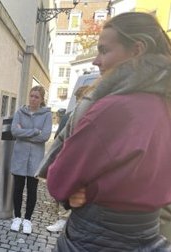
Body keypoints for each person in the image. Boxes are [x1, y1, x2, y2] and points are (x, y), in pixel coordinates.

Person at [47, 12, 171, 250]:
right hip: (150, 236)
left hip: (98, 237)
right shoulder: (163, 105)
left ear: (137, 50)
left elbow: (58, 180)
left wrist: (90, 191)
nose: (96, 61)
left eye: (104, 51)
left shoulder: (114, 108)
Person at [47, 85, 92, 233]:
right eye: (80, 98)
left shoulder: (94, 117)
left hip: (82, 163)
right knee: (62, 192)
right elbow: (58, 137)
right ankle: (62, 219)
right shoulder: (68, 116)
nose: (82, 102)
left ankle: (70, 221)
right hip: (66, 160)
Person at [9, 86, 52, 234]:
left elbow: (45, 136)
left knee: (32, 190)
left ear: (41, 99)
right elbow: (14, 131)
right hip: (20, 157)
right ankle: (17, 217)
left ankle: (27, 219)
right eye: (31, 96)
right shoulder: (20, 112)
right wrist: (34, 131)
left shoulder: (47, 115)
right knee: (18, 189)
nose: (33, 99)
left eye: (36, 97)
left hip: (35, 159)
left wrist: (24, 133)